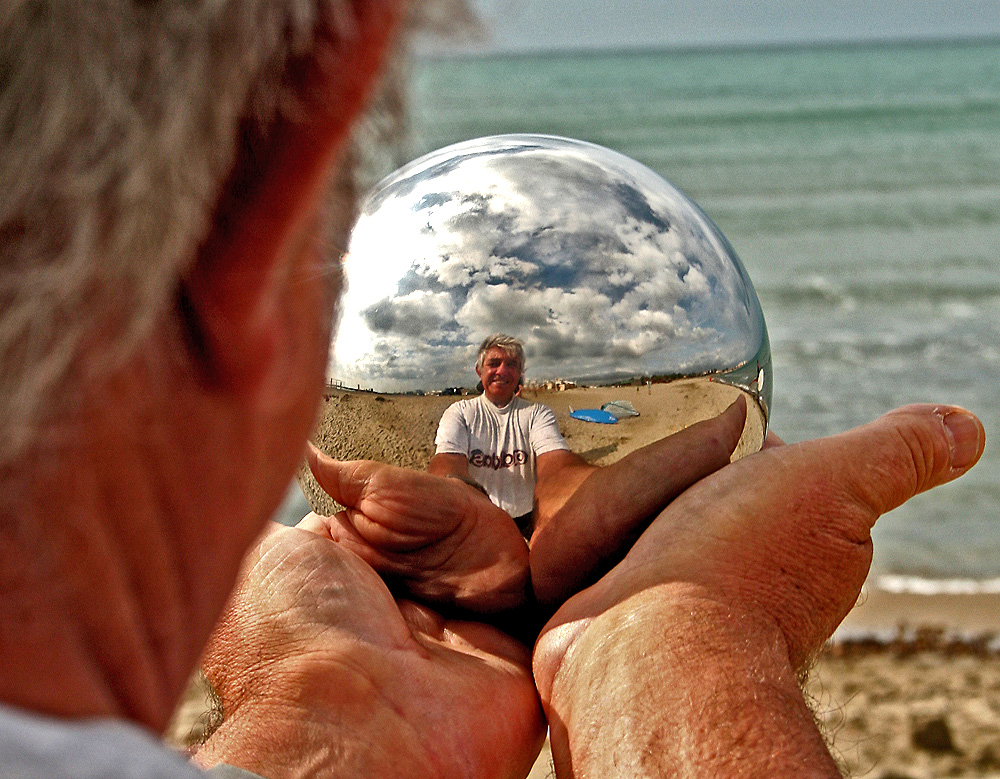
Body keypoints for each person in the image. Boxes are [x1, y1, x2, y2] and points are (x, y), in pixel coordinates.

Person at [0, 3, 986, 779]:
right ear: (282, 140)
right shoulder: (462, 418)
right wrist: (676, 649)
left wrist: (336, 703)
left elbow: (547, 473)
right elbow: (445, 473)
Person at [429, 334, 570, 535]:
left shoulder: (537, 413)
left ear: (520, 372)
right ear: (479, 370)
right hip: (479, 515)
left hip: (528, 517)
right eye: (494, 363)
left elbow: (555, 461)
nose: (502, 371)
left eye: (511, 364)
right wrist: (458, 489)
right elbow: (446, 461)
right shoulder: (461, 412)